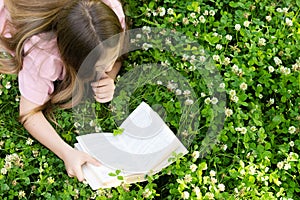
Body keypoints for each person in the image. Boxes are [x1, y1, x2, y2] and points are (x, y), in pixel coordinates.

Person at [0, 0, 126, 181]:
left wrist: (110, 76)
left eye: (111, 58)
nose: (109, 67)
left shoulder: (110, 12)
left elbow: (118, 56)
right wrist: (67, 152)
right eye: (100, 66)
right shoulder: (45, 56)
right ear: (73, 61)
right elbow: (28, 113)